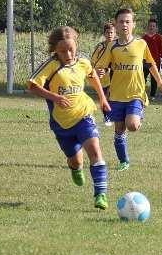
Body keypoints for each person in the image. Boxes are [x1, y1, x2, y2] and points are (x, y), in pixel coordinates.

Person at [27, 26, 111, 209]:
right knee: (76, 160)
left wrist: (103, 99)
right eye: (63, 50)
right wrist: (55, 97)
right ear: (55, 50)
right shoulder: (51, 66)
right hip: (61, 123)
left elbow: (92, 75)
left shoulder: (83, 62)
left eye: (71, 49)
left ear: (76, 46)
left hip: (84, 115)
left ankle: (100, 195)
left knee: (96, 152)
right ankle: (75, 167)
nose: (68, 54)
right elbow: (32, 86)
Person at [94, 8, 162, 171]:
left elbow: (151, 64)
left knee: (132, 125)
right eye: (121, 22)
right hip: (117, 95)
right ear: (116, 25)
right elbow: (102, 67)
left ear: (133, 24)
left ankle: (137, 115)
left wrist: (161, 83)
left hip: (136, 93)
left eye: (128, 21)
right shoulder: (112, 46)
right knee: (119, 129)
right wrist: (101, 71)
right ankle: (124, 161)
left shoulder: (141, 44)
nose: (124, 25)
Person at [91, 21, 116, 126]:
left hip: (112, 75)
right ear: (104, 34)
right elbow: (92, 62)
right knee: (104, 97)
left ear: (115, 33)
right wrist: (95, 71)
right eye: (107, 33)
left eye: (111, 32)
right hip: (100, 76)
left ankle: (112, 115)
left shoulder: (116, 46)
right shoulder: (100, 47)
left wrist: (108, 69)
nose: (109, 35)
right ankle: (107, 116)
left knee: (112, 96)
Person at [142, 18, 162, 100]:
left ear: (156, 28)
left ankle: (152, 95)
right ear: (147, 27)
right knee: (142, 78)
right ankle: (141, 93)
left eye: (153, 26)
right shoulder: (144, 38)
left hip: (155, 62)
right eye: (150, 26)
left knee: (154, 79)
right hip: (145, 62)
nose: (151, 27)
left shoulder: (159, 37)